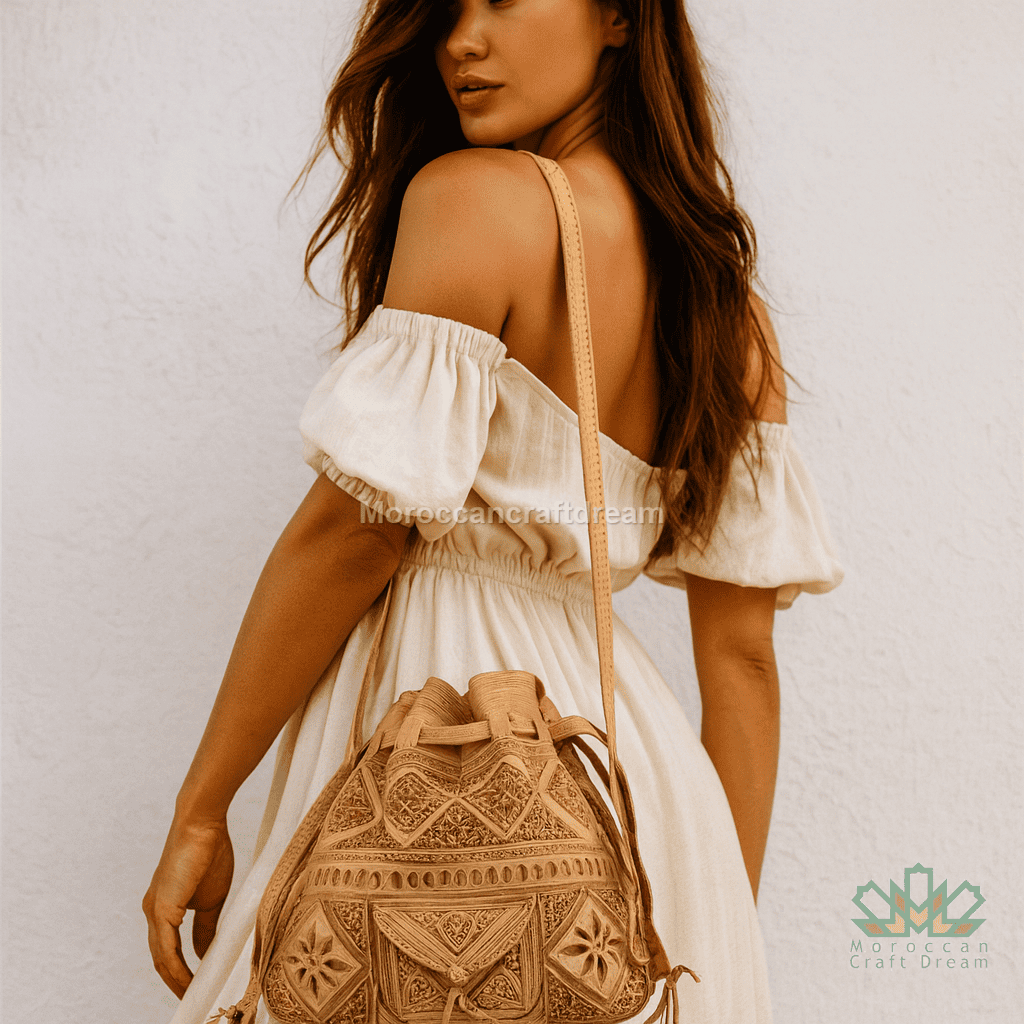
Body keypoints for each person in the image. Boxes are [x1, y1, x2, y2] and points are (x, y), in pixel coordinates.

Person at [143, 0, 844, 1020]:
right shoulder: (732, 315)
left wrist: (200, 806)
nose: (461, 41)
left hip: (434, 729)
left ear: (617, 16)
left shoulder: (476, 198)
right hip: (639, 797)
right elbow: (741, 663)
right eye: (443, 10)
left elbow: (357, 533)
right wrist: (712, 916)